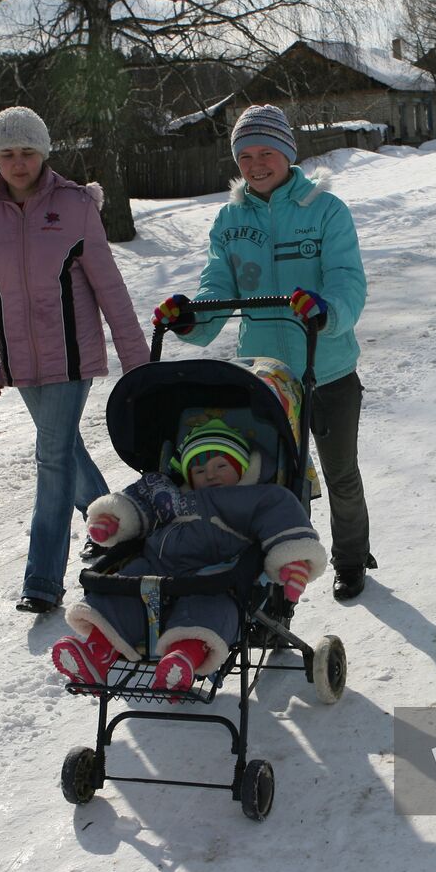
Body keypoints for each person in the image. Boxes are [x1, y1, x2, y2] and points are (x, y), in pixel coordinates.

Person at [151, 104, 376, 600]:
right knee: (280, 482)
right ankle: (284, 573)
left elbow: (348, 281)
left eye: (266, 152)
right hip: (267, 376)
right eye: (245, 155)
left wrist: (326, 309)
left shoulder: (324, 209)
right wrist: (188, 316)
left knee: (339, 474)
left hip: (328, 366)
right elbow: (217, 287)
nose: (255, 164)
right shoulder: (230, 219)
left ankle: (352, 558)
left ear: (288, 154)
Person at [0, 106, 150, 614]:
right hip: (20, 362)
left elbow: (108, 285)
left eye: (27, 152)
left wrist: (137, 360)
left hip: (72, 356)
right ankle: (122, 530)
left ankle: (43, 581)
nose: (18, 163)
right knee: (65, 450)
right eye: (7, 154)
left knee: (50, 460)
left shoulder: (73, 206)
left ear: (43, 153)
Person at [50, 419, 327, 696]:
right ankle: (96, 653)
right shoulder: (168, 494)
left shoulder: (255, 496)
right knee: (119, 592)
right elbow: (135, 505)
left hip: (216, 576)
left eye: (221, 465)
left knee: (212, 608)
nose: (210, 474)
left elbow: (283, 519)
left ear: (242, 467)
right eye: (199, 468)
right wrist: (112, 519)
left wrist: (294, 560)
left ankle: (183, 658)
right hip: (156, 568)